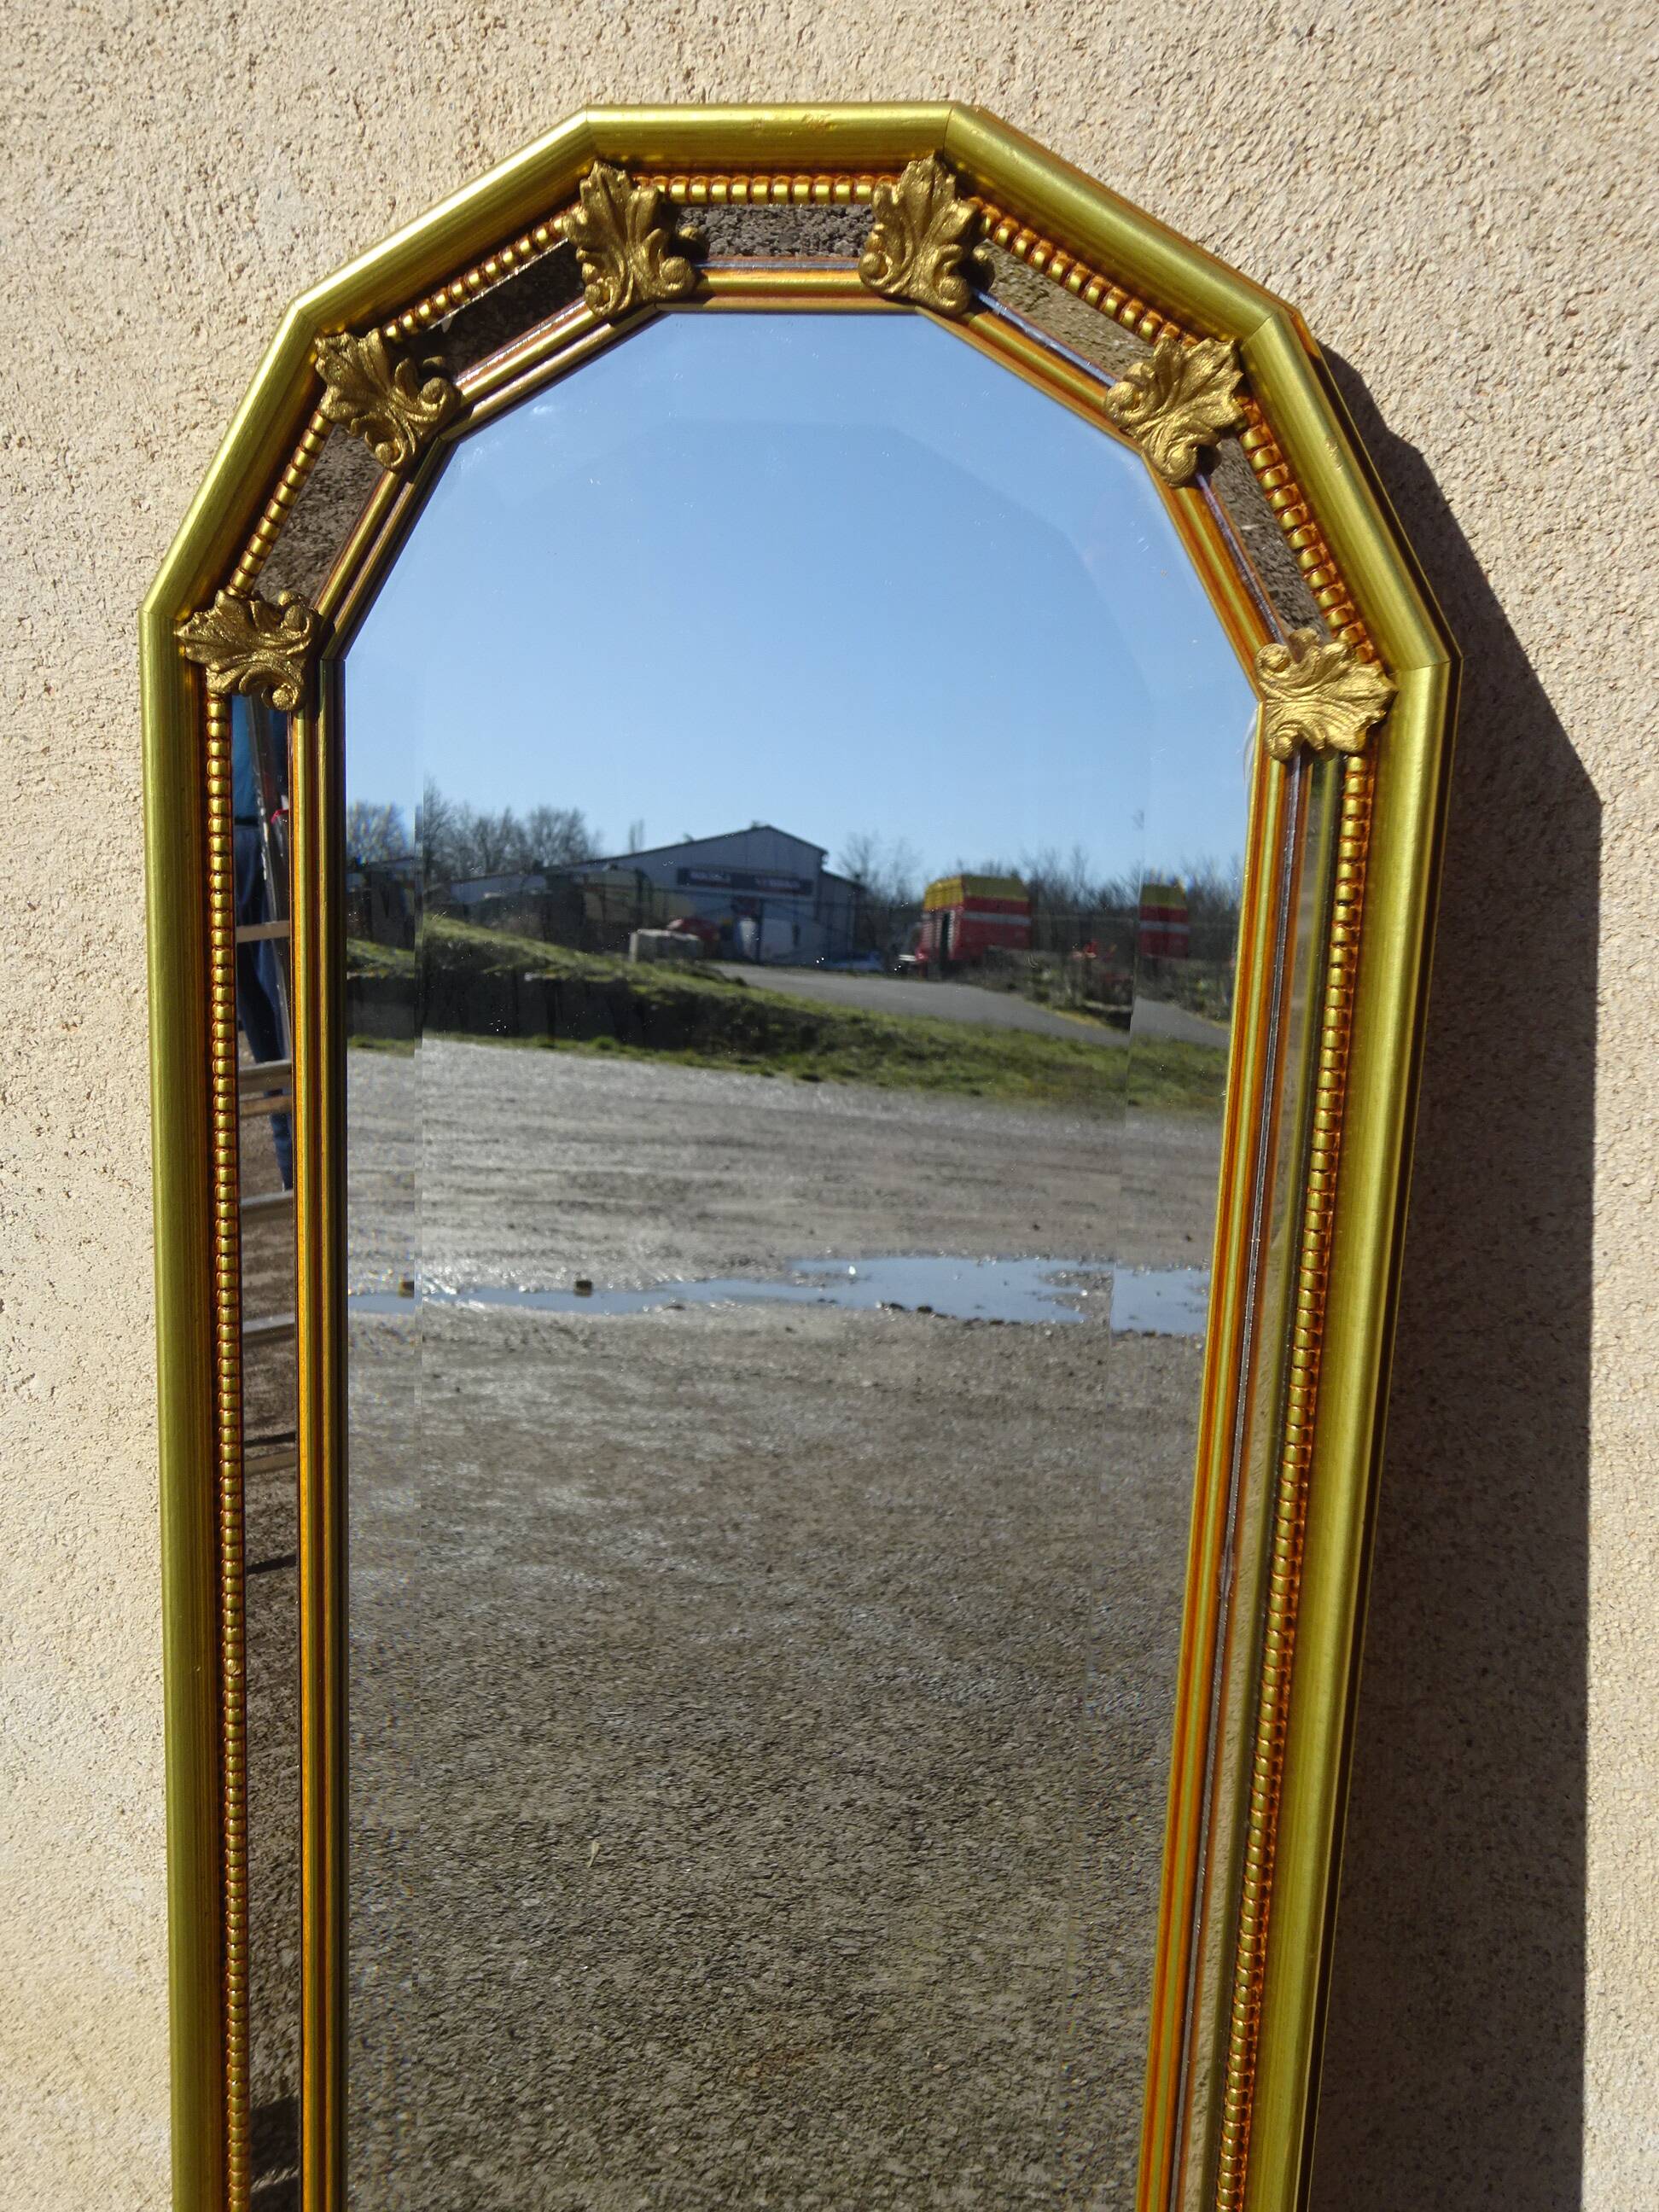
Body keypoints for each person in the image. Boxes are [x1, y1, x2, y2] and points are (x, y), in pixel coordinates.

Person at [231, 694, 293, 1190]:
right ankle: (295, 1189)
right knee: (266, 1043)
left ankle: (306, 1188)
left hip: (275, 844)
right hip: (219, 848)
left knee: (288, 1023)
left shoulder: (279, 690)